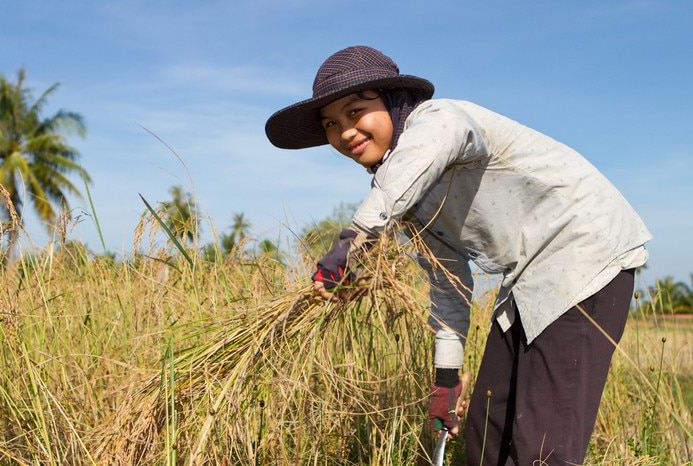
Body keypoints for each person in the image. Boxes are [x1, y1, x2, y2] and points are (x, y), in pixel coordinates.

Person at [264, 45, 651, 465]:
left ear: (394, 100)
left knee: (543, 445)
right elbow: (449, 289)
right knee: (487, 431)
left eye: (356, 111)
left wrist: (347, 249)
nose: (345, 132)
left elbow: (404, 177)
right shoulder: (407, 202)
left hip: (584, 255)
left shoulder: (438, 121)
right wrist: (445, 385)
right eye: (331, 125)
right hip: (527, 279)